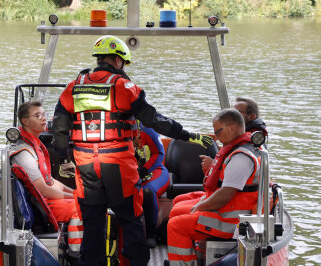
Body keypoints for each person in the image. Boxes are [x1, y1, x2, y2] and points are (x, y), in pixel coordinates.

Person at [51, 35, 214, 266]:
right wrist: (187, 135)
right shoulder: (124, 86)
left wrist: (63, 157)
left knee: (92, 223)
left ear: (99, 59)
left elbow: (59, 126)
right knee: (131, 219)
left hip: (85, 162)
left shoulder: (74, 86)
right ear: (118, 61)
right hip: (118, 162)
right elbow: (155, 120)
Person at [167, 108, 260, 265]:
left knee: (175, 226)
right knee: (178, 204)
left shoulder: (241, 158)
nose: (216, 137)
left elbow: (225, 195)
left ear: (231, 128)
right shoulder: (238, 149)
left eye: (218, 131)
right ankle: (191, 253)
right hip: (229, 207)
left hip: (232, 219)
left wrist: (200, 206)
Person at [9, 101, 83, 254]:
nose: (44, 118)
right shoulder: (24, 152)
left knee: (85, 201)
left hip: (45, 200)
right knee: (81, 208)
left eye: (44, 114)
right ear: (25, 121)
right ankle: (77, 254)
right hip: (40, 205)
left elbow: (50, 181)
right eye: (38, 115)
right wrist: (77, 198)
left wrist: (75, 193)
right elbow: (43, 190)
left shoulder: (35, 145)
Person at [134, 121, 170, 248]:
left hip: (154, 170)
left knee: (148, 192)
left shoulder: (146, 129)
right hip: (128, 172)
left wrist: (144, 170)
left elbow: (159, 153)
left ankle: (151, 234)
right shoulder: (114, 131)